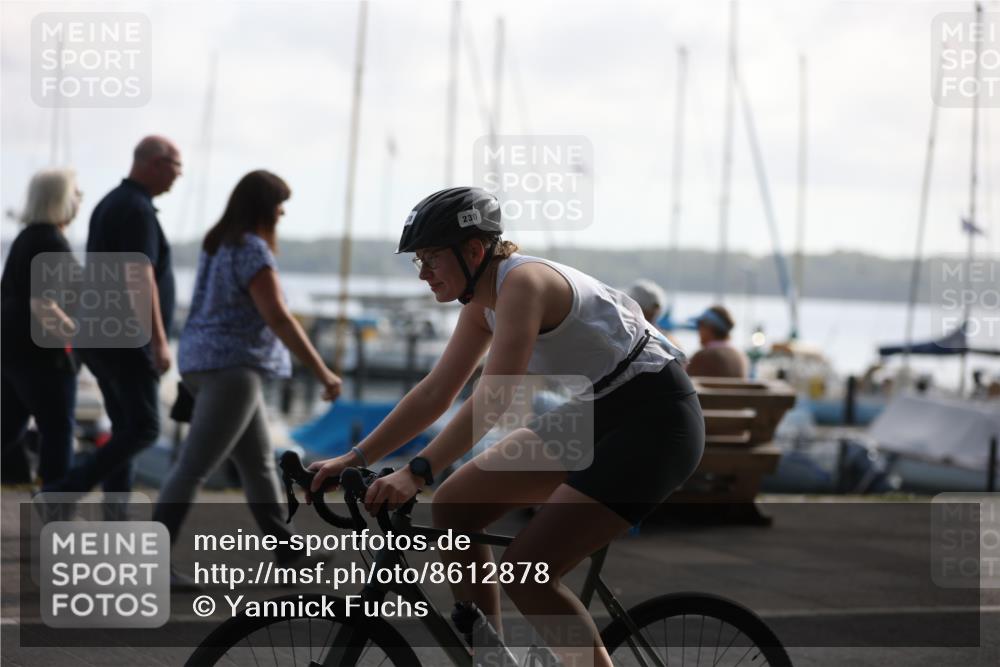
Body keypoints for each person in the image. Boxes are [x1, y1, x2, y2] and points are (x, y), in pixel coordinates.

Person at [309, 187, 705, 666]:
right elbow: (437, 392)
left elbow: (493, 398)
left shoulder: (524, 285)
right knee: (456, 504)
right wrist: (356, 458)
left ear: (474, 250)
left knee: (526, 569)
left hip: (657, 420)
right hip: (598, 410)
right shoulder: (482, 303)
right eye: (418, 261)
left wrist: (416, 471)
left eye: (431, 258)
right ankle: (490, 658)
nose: (423, 273)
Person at [152, 170, 342, 573]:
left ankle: (288, 552)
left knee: (257, 465)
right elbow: (279, 318)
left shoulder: (217, 242)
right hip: (233, 369)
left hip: (202, 361)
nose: (282, 212)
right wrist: (323, 371)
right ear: (262, 207)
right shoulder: (253, 249)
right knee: (192, 468)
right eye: (278, 204)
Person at [44, 136, 181, 496]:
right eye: (176, 166)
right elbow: (139, 273)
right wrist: (160, 341)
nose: (179, 175)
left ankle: (115, 520)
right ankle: (60, 494)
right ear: (155, 163)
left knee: (126, 430)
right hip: (126, 339)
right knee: (145, 429)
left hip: (102, 336)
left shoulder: (113, 202)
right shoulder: (136, 209)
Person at [1, 169, 82, 487]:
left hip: (12, 351)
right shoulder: (51, 241)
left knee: (8, 428)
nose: (79, 200)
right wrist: (81, 335)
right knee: (58, 431)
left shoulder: (26, 237)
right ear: (61, 199)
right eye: (76, 193)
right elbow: (44, 305)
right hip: (44, 356)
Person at [684, 305, 749, 378]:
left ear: (709, 328)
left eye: (700, 325)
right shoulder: (740, 357)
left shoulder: (702, 357)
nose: (698, 331)